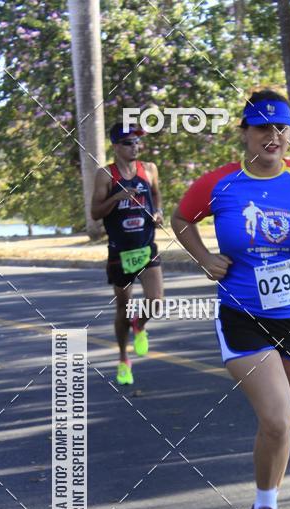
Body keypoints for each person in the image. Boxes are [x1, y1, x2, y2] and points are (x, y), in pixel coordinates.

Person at [171, 89, 290, 509]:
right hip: (244, 316)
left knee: (281, 427)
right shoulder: (219, 184)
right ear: (245, 133)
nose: (273, 135)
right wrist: (205, 257)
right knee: (277, 418)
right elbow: (181, 218)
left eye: (282, 127)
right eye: (263, 127)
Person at [90, 122, 164, 385]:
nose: (135, 147)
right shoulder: (105, 175)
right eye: (128, 143)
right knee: (123, 307)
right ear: (116, 146)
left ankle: (140, 325)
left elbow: (155, 195)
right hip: (119, 252)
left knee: (155, 301)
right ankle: (123, 358)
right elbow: (95, 213)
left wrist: (158, 214)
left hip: (146, 246)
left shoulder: (149, 170)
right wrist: (117, 197)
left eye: (137, 142)